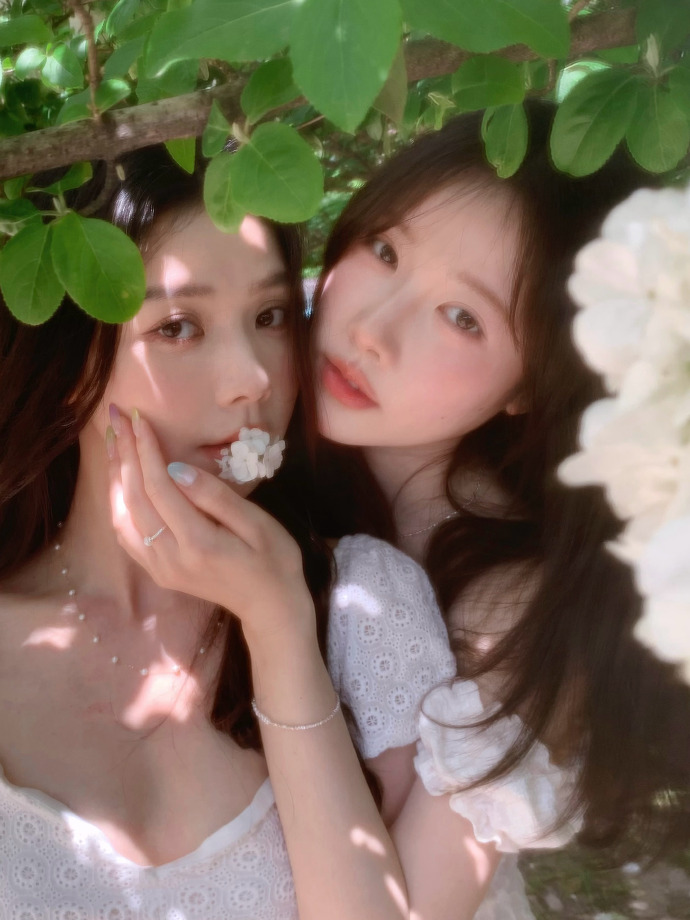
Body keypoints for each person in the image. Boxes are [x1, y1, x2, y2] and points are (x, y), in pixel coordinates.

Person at [0, 146, 456, 919]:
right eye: (178, 327)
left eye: (271, 317)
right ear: (75, 368)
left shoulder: (364, 610)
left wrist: (279, 628)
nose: (254, 378)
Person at [309, 99, 690, 918]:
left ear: (531, 385)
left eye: (463, 318)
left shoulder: (514, 607)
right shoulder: (255, 361)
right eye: (384, 250)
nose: (372, 330)